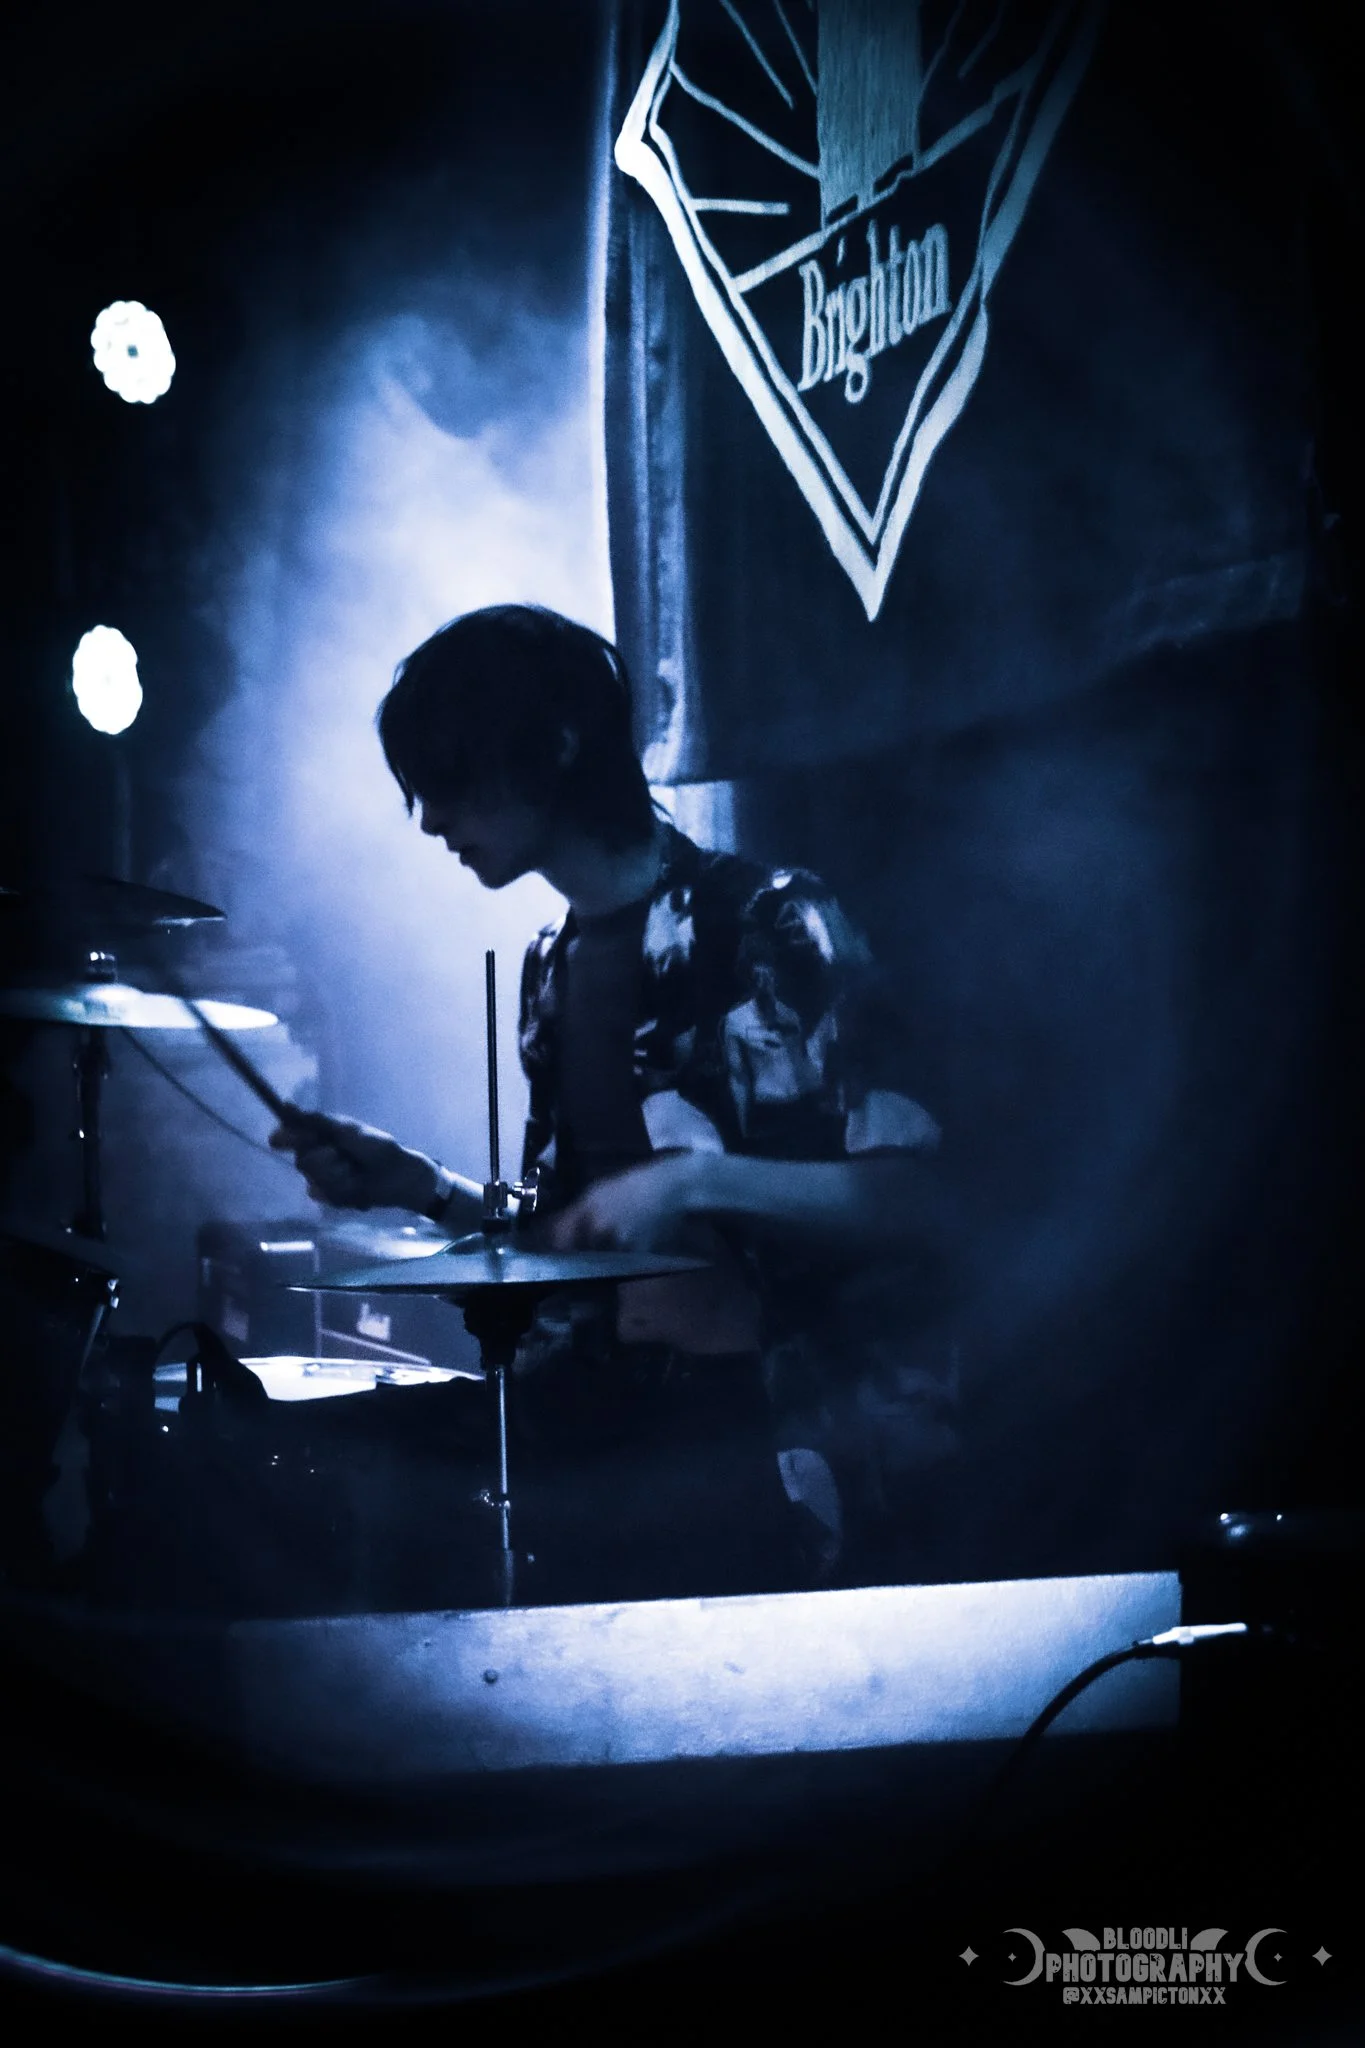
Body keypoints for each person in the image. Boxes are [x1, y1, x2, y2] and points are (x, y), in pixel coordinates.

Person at [270, 605, 953, 1599]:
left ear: (556, 746)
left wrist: (698, 1181)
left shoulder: (771, 921)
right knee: (319, 1474)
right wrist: (417, 1185)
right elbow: (574, 1239)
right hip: (610, 1422)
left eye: (451, 778)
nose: (431, 820)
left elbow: (918, 1198)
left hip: (767, 1441)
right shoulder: (550, 968)